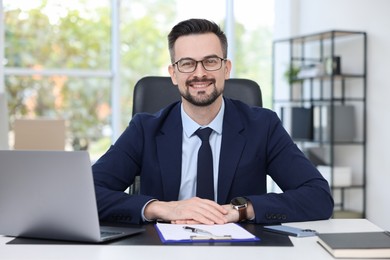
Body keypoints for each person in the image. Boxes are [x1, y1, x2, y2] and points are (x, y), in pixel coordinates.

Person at [92, 18, 334, 225]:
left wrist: (241, 210)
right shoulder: (145, 129)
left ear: (226, 69)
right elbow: (87, 193)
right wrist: (163, 208)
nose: (200, 73)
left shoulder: (263, 126)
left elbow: (318, 197)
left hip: (240, 251)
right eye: (187, 63)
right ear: (174, 74)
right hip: (163, 251)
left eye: (210, 61)